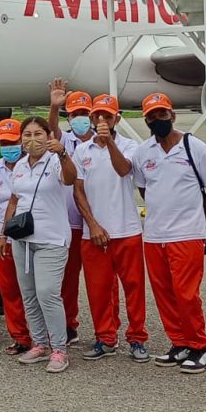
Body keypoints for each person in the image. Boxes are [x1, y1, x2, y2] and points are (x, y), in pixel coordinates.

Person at [133, 92, 206, 373]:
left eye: (162, 114)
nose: (158, 120)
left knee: (186, 294)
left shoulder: (195, 148)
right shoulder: (143, 152)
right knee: (164, 293)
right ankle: (179, 342)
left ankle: (199, 346)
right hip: (155, 234)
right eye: (152, 116)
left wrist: (198, 217)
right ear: (146, 119)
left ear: (173, 115)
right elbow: (145, 189)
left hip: (187, 233)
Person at [71, 93, 149, 363]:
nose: (101, 120)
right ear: (90, 118)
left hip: (126, 229)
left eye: (107, 115)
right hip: (93, 233)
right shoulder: (82, 150)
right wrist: (92, 224)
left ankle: (137, 337)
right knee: (98, 289)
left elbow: (123, 169)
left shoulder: (129, 145)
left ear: (117, 118)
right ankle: (105, 337)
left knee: (134, 287)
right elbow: (78, 191)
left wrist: (109, 143)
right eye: (96, 116)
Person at [0, 117, 78, 374]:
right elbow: (14, 200)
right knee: (29, 294)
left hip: (51, 238)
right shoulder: (21, 165)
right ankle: (40, 343)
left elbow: (69, 180)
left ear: (48, 136)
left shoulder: (56, 160)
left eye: (38, 134)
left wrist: (63, 153)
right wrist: (4, 234)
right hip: (23, 239)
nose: (32, 139)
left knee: (47, 293)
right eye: (27, 135)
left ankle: (59, 349)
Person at [46, 79, 92, 345]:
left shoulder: (103, 141)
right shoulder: (67, 141)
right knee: (67, 279)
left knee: (101, 283)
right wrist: (54, 106)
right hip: (70, 221)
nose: (79, 119)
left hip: (97, 220)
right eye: (74, 114)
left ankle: (106, 330)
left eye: (84, 114)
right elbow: (52, 128)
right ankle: (68, 324)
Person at [0, 119, 31, 355]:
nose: (8, 147)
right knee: (9, 290)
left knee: (34, 289)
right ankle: (20, 336)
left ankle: (43, 336)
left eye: (12, 142)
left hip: (30, 236)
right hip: (1, 236)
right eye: (3, 142)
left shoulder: (31, 164)